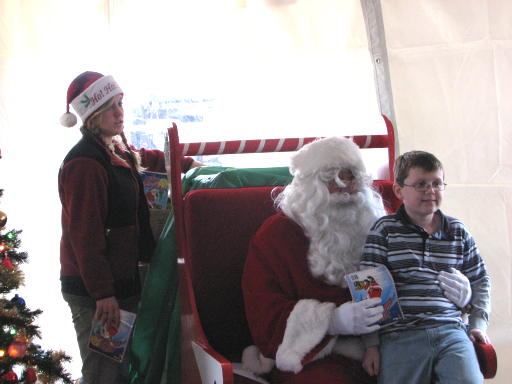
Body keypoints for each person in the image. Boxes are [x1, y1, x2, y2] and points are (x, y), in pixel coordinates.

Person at [58, 71, 199, 383]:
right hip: (97, 292)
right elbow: (85, 236)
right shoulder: (85, 163)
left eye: (120, 103)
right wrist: (103, 294)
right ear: (91, 115)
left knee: (121, 369)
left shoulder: (115, 148)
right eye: (109, 107)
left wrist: (185, 163)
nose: (119, 112)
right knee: (103, 371)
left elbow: (143, 159)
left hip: (121, 281)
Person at [242, 136, 388, 384]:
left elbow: (415, 272)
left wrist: (462, 297)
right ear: (310, 185)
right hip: (314, 356)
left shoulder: (380, 224)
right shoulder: (275, 236)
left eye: (352, 177)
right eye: (334, 177)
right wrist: (331, 321)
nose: (345, 187)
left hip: (387, 344)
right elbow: (263, 314)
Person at [360, 150, 490, 384]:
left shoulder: (458, 231)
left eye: (437, 184)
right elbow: (369, 288)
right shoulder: (385, 230)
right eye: (421, 184)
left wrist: (478, 324)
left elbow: (480, 279)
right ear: (399, 190)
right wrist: (371, 344)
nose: (430, 191)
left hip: (451, 330)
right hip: (401, 333)